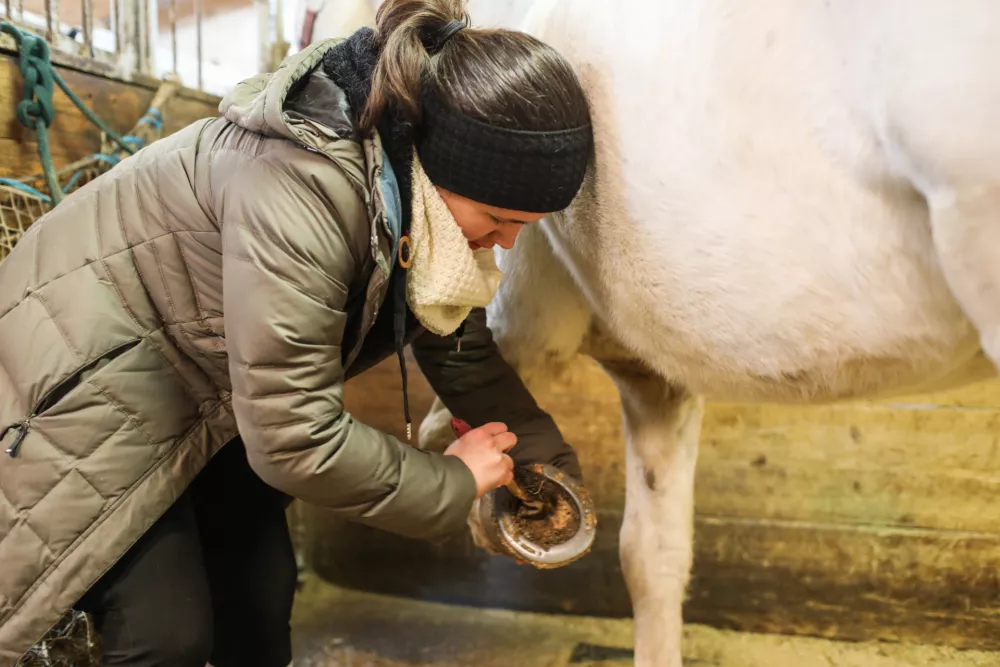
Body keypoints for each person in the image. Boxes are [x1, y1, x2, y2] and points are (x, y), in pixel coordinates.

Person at [0, 0, 593, 664]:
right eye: (497, 217)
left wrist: (547, 460)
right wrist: (451, 482)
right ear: (442, 169)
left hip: (202, 386)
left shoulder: (410, 186)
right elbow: (292, 438)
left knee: (259, 593)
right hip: (81, 379)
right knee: (163, 633)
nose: (506, 244)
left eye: (525, 226)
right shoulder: (300, 188)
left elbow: (450, 333)